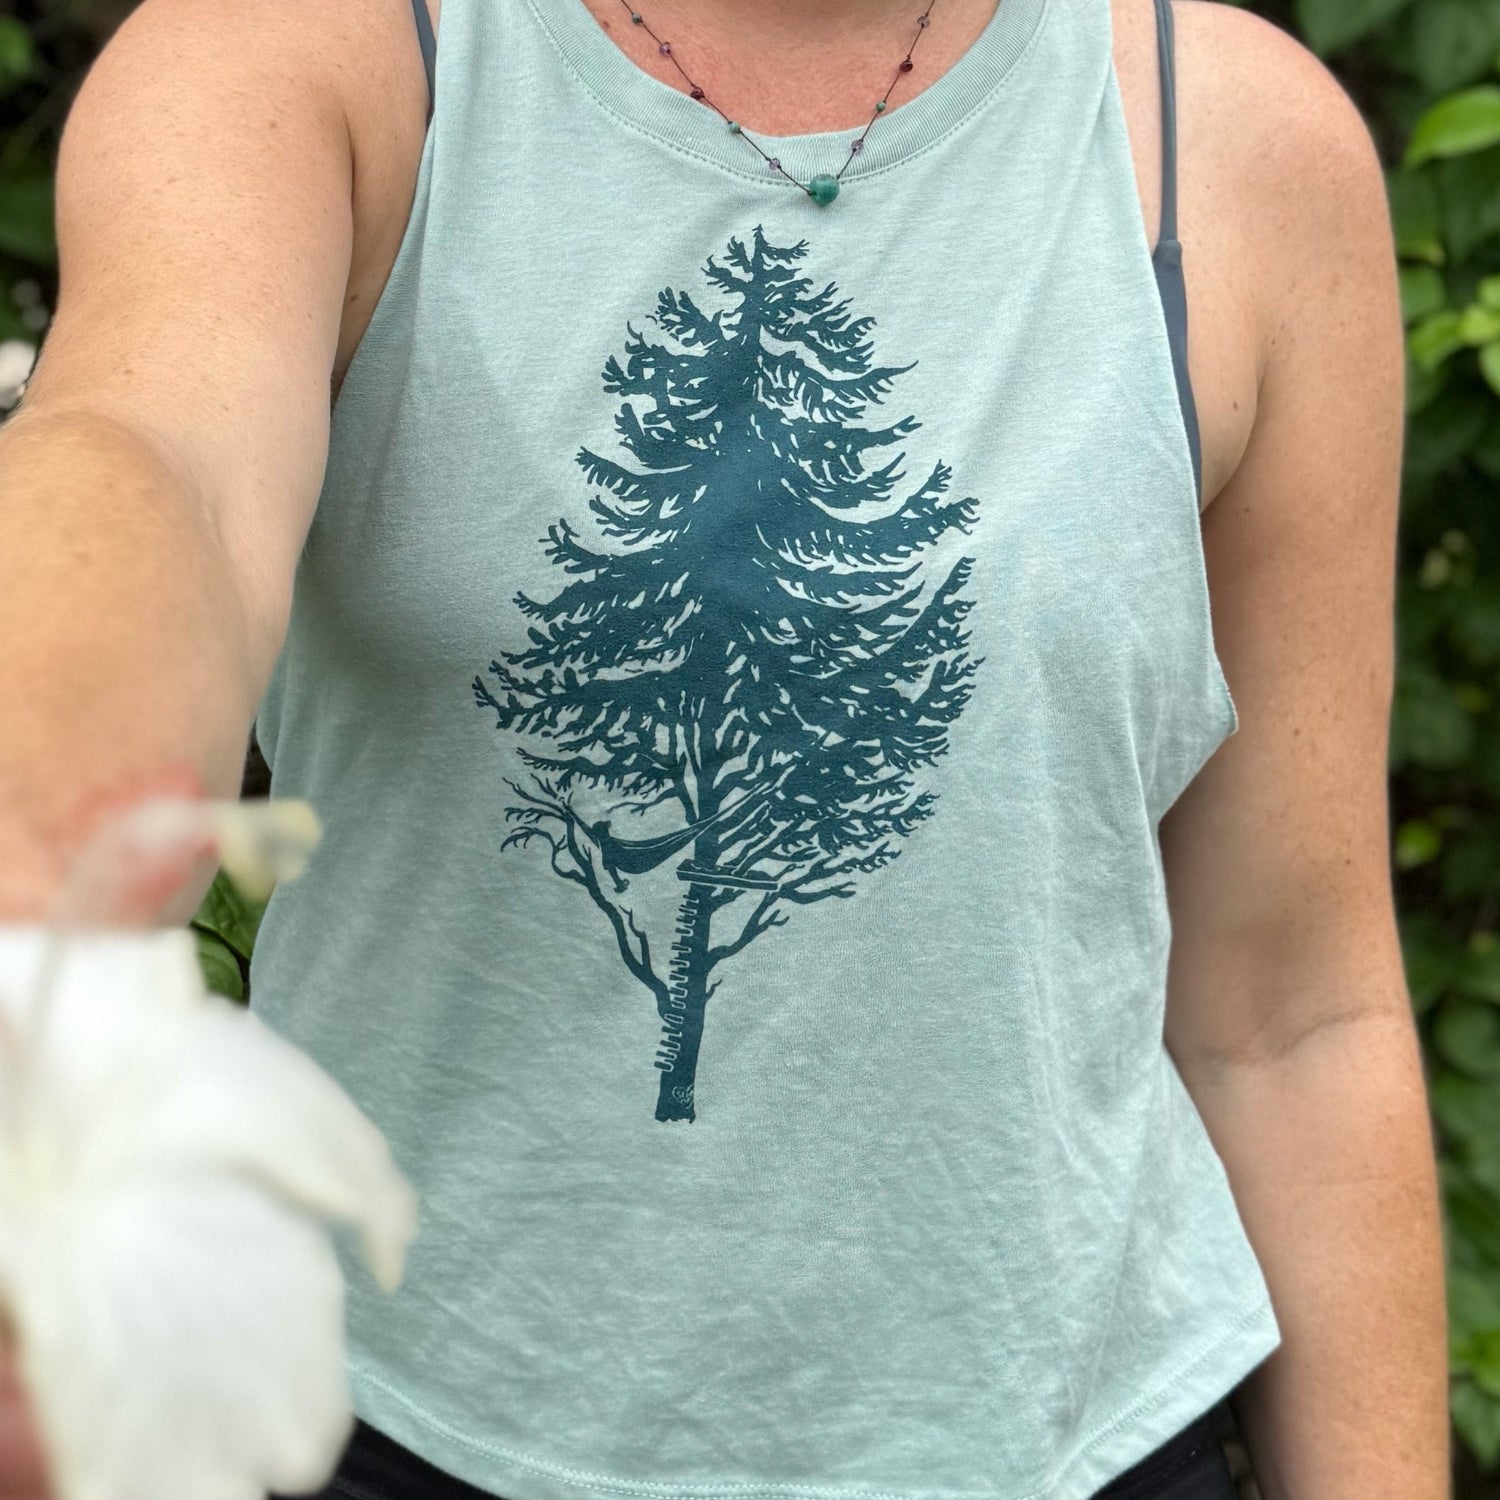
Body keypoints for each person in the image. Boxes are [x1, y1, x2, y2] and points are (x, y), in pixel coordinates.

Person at [0, 0, 1449, 1495]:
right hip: (393, 1419)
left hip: (1076, 1441)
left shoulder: (1232, 142)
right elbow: (153, 458)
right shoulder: (314, 53)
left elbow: (1291, 1018)